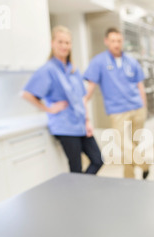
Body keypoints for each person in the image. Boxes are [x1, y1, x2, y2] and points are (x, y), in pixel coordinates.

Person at [22, 25, 103, 175]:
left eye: (67, 42)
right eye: (60, 42)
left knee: (98, 160)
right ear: (53, 43)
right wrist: (49, 109)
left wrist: (87, 121)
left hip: (80, 124)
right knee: (76, 169)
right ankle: (77, 196)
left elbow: (82, 98)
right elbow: (27, 94)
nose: (64, 46)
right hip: (64, 126)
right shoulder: (48, 69)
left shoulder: (73, 69)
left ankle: (80, 189)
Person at [83, 27, 150, 179]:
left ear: (122, 42)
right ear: (106, 41)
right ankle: (144, 164)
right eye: (113, 41)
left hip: (138, 108)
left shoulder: (131, 61)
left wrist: (144, 107)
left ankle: (129, 178)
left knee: (133, 144)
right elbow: (90, 88)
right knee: (124, 145)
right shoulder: (99, 62)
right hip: (117, 111)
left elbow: (140, 86)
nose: (116, 44)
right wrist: (82, 102)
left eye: (119, 41)